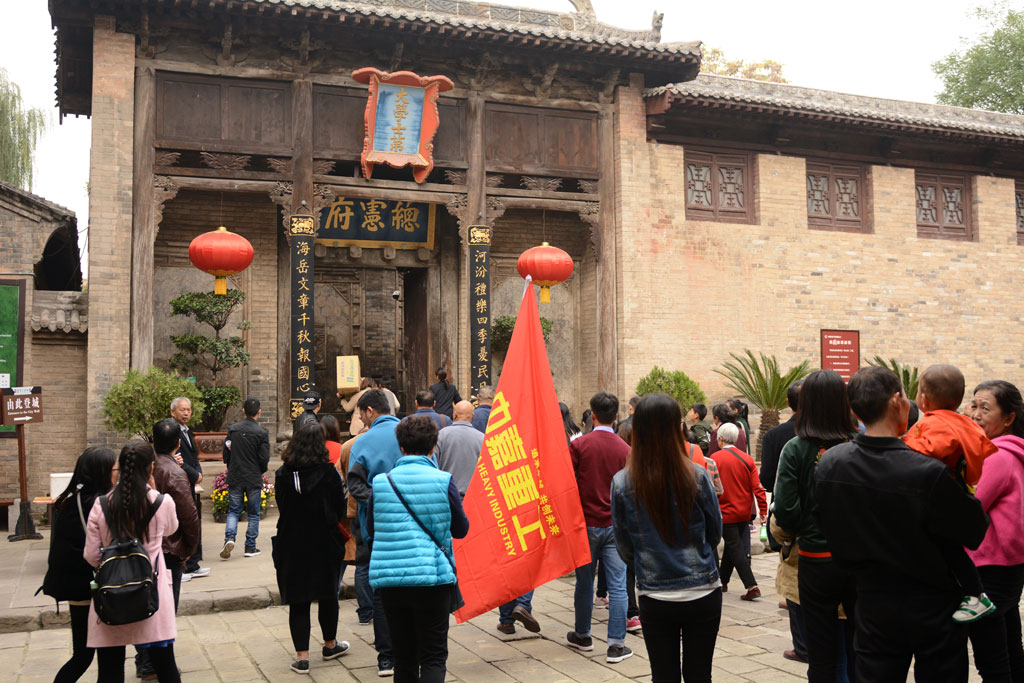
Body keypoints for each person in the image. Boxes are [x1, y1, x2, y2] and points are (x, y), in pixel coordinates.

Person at [815, 366, 989, 681]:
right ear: (898, 401)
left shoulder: (831, 464)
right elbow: (974, 531)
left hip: (872, 601)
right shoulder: (927, 472)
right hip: (933, 603)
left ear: (855, 410)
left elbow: (828, 526)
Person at [611, 393, 723, 682]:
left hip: (656, 594)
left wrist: (649, 564)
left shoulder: (623, 482)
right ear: (677, 427)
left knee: (663, 675)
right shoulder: (697, 475)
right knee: (700, 674)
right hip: (702, 590)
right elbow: (714, 532)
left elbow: (624, 546)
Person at [368, 416, 470, 682]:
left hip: (391, 581)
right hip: (432, 580)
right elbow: (460, 529)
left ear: (401, 447)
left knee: (403, 656)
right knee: (433, 655)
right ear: (433, 447)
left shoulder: (380, 484)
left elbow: (371, 531)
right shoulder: (443, 481)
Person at [774, 369, 858, 683]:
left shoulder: (796, 449)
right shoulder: (860, 442)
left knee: (821, 652)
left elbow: (785, 510)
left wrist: (807, 529)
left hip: (816, 560)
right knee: (858, 644)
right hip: (857, 559)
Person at [904, 364, 998, 622]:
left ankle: (977, 595)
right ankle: (974, 592)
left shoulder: (938, 424)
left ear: (923, 399)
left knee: (949, 547)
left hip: (942, 496)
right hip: (951, 490)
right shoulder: (958, 420)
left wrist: (903, 444)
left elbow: (935, 448)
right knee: (951, 547)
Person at [84, 442, 182, 683]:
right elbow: (171, 529)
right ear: (151, 468)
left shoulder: (102, 504)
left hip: (112, 594)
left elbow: (92, 555)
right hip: (151, 593)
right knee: (165, 667)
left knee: (109, 671)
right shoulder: (162, 502)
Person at [272, 425, 351, 675]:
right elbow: (339, 506)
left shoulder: (283, 474)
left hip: (291, 541)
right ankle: (330, 644)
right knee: (328, 594)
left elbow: (282, 505)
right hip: (324, 541)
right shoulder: (329, 473)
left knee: (299, 599)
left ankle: (302, 657)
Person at [566, 392, 633, 664]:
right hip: (615, 525)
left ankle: (583, 634)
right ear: (616, 417)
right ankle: (616, 644)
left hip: (585, 524)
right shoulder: (626, 450)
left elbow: (568, 485)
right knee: (618, 586)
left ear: (592, 415)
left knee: (584, 583)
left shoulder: (580, 445)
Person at [41, 446, 117, 683]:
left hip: (76, 589)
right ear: (102, 472)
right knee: (110, 657)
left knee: (82, 655)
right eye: (115, 468)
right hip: (99, 588)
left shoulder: (67, 502)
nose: (118, 473)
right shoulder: (102, 504)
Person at [967, 380, 1024, 681]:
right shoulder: (1015, 452)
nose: (976, 414)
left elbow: (972, 510)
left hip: (987, 571)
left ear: (1009, 417)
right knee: (1010, 647)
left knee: (991, 658)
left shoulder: (997, 456)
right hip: (1010, 569)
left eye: (985, 408)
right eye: (973, 405)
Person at [347, 389, 402, 676]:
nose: (360, 419)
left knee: (382, 593)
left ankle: (386, 659)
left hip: (378, 527)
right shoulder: (412, 433)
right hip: (413, 526)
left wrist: (379, 497)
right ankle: (411, 652)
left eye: (359, 414)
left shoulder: (363, 441)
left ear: (370, 411)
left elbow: (354, 486)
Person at [710, 422, 767, 600]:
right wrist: (762, 509)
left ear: (720, 439)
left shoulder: (715, 459)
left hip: (725, 511)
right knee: (732, 546)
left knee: (735, 547)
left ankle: (751, 585)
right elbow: (757, 487)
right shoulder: (747, 459)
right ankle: (723, 581)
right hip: (744, 512)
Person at [220, 397, 271, 560]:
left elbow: (226, 453)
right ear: (259, 412)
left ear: (243, 411)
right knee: (254, 513)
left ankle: (229, 538)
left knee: (234, 511)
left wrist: (231, 466)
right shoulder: (262, 433)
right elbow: (264, 458)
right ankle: (250, 546)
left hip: (235, 475)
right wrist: (260, 471)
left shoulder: (233, 430)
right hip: (253, 477)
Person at [170, 396, 208, 581]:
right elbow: (177, 460)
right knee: (184, 522)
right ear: (173, 412)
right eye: (182, 410)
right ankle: (184, 566)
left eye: (188, 410)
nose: (186, 413)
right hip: (180, 483)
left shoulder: (187, 432)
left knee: (194, 521)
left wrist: (198, 473)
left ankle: (193, 564)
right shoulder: (172, 431)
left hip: (190, 482)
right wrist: (195, 476)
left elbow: (193, 457)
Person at [760, 380, 803, 494]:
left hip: (782, 501)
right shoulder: (824, 433)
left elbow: (766, 479)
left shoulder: (773, 436)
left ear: (788, 403)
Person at [435, 400, 484, 498]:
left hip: (446, 494)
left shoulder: (440, 436)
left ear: (454, 415)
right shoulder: (482, 439)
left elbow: (434, 464)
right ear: (472, 416)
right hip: (472, 497)